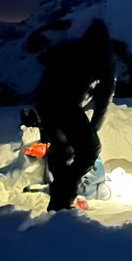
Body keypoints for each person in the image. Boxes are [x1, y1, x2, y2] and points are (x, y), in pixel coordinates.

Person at [34, 17, 116, 211]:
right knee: (89, 151)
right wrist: (92, 131)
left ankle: (59, 201)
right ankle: (63, 198)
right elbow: (103, 101)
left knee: (63, 151)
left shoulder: (73, 49)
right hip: (65, 106)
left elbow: (47, 64)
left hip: (46, 104)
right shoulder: (104, 59)